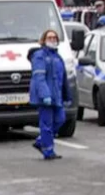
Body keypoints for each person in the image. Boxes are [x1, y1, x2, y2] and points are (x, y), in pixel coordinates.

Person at [28, 30, 72, 160]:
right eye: (49, 37)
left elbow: (63, 78)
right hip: (45, 97)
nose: (52, 39)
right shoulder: (39, 56)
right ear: (43, 39)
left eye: (54, 37)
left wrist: (67, 95)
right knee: (46, 124)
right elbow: (39, 77)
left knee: (60, 119)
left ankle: (41, 141)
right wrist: (45, 95)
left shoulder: (57, 57)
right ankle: (48, 151)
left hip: (57, 96)